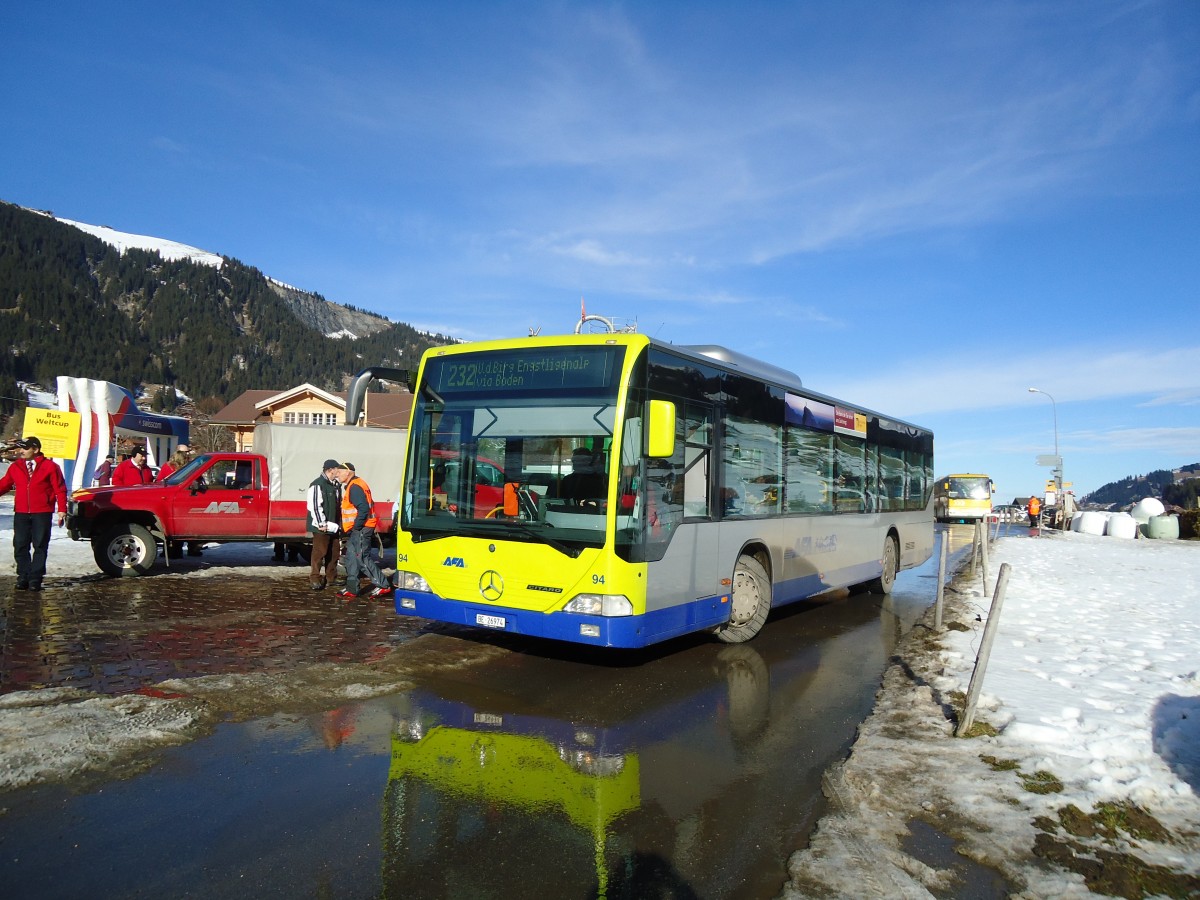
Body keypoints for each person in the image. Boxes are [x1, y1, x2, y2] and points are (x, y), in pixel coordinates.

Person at [0, 436, 68, 591]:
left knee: (40, 545)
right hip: (21, 512)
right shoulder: (16, 466)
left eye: (25, 448)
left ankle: (35, 579)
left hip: (42, 512)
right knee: (20, 544)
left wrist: (62, 509)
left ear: (35, 449)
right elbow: (4, 484)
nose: (21, 451)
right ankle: (23, 576)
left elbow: (60, 488)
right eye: (20, 448)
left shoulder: (50, 467)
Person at [334, 461, 391, 599]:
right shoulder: (355, 484)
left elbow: (363, 508)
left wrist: (356, 527)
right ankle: (352, 588)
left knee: (362, 558)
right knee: (351, 558)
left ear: (348, 472)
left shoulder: (354, 487)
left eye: (340, 472)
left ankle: (383, 585)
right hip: (359, 529)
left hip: (361, 529)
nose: (337, 475)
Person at [306, 458, 343, 591]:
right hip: (321, 526)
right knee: (319, 552)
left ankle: (331, 577)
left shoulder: (335, 485)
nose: (338, 472)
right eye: (337, 469)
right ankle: (315, 578)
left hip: (333, 525)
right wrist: (321, 523)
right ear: (330, 470)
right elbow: (315, 506)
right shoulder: (317, 484)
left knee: (334, 553)